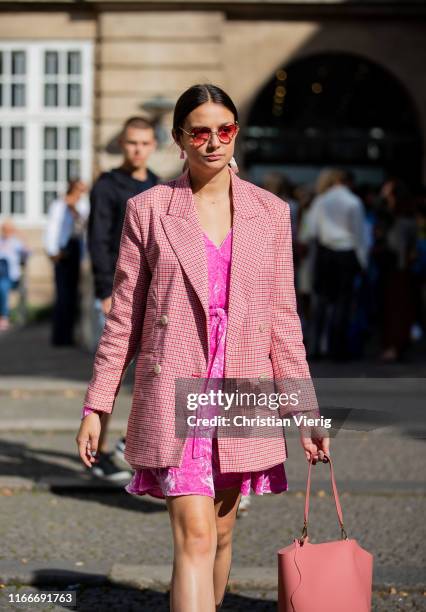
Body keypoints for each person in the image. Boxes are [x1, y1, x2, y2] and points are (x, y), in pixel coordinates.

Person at [76, 84, 329, 612]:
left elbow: (284, 320)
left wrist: (306, 412)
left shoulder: (270, 213)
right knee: (194, 534)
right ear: (179, 139)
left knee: (220, 532)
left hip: (242, 389)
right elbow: (125, 315)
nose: (214, 142)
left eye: (225, 130)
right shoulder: (149, 210)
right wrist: (97, 404)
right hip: (174, 389)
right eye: (201, 132)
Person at [87, 116, 159, 480]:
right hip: (117, 291)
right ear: (122, 144)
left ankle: (131, 442)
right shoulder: (107, 186)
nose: (138, 150)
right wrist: (104, 290)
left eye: (144, 143)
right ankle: (98, 452)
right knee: (110, 374)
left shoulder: (160, 187)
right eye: (132, 143)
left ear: (154, 145)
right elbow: (98, 239)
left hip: (155, 296)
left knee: (151, 376)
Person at [307, 168, 368, 360]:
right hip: (346, 253)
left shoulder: (322, 200)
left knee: (322, 301)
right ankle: (337, 349)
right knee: (343, 302)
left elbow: (312, 230)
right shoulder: (354, 202)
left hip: (326, 253)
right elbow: (359, 235)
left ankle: (316, 347)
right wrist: (363, 262)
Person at [44, 180, 89, 346]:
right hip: (62, 248)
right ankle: (59, 336)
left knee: (72, 293)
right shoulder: (58, 205)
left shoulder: (83, 205)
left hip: (75, 247)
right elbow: (52, 227)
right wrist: (52, 250)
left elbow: (83, 224)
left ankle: (68, 335)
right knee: (62, 293)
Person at [0, 219, 29, 331]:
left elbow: (28, 253)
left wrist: (20, 235)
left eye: (9, 229)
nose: (6, 232)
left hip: (12, 278)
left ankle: (4, 317)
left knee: (2, 286)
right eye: (5, 229)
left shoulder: (16, 242)